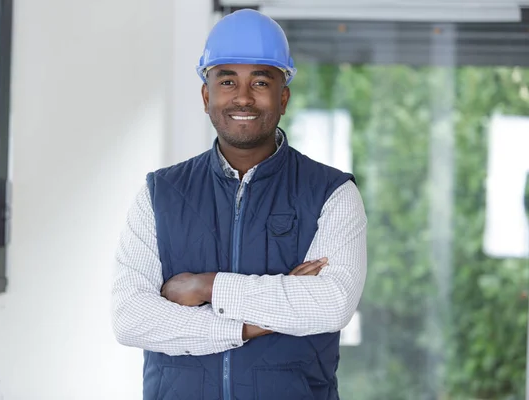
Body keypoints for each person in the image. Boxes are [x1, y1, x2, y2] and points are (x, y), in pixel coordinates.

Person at [112, 8, 367, 400]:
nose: (243, 97)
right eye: (227, 80)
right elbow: (132, 318)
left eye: (261, 81)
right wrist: (250, 326)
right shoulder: (159, 194)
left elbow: (330, 305)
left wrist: (207, 286)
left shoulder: (331, 193)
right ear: (206, 95)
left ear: (283, 97)